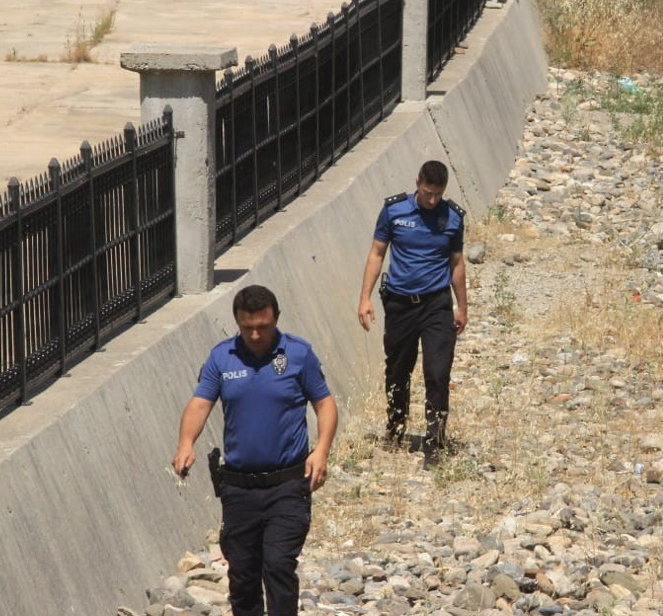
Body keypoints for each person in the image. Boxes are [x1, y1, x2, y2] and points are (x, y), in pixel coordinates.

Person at [172, 284, 337, 616]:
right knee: (243, 576)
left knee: (277, 565)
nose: (256, 334)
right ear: (237, 321)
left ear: (276, 318)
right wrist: (186, 443)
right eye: (248, 328)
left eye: (264, 326)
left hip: (288, 484)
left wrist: (321, 450)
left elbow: (325, 404)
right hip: (239, 489)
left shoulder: (298, 354)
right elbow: (200, 404)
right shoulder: (222, 357)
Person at [357, 160, 467, 468]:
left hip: (436, 305)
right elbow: (377, 253)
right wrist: (364, 297)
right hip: (400, 304)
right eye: (427, 192)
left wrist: (462, 306)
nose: (432, 200)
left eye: (437, 194)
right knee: (398, 369)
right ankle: (396, 427)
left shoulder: (453, 218)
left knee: (437, 372)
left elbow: (457, 264)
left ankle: (435, 441)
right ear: (417, 182)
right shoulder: (394, 211)